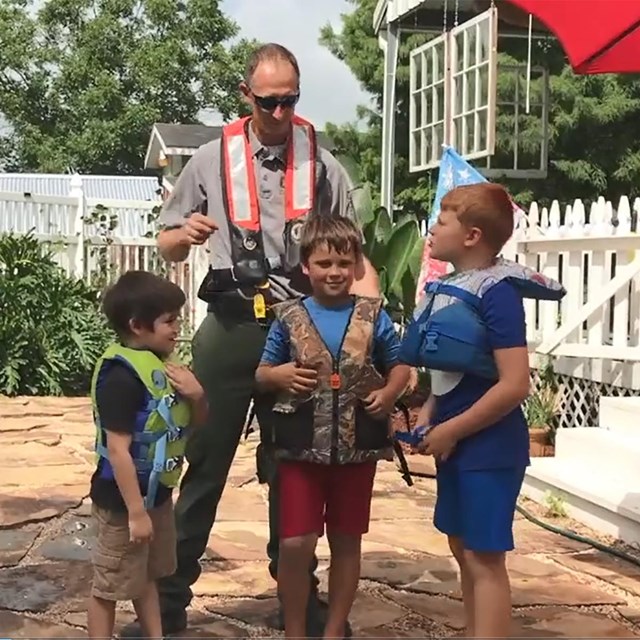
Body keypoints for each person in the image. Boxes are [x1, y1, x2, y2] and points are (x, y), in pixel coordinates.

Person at [119, 43, 379, 638]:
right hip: (232, 326)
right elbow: (166, 244)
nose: (281, 113)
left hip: (301, 330)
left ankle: (297, 598)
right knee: (203, 462)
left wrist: (370, 326)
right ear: (246, 96)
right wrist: (184, 232)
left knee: (295, 465)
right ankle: (171, 599)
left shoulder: (323, 165)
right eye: (269, 102)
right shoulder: (212, 159)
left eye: (291, 100)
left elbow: (356, 257)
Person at [399, 183, 565, 638]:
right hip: (457, 440)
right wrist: (433, 408)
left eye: (442, 220)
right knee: (460, 545)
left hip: (490, 446)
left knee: (483, 556)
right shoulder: (453, 286)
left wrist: (452, 430)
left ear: (472, 235)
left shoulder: (498, 293)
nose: (432, 229)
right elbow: (455, 371)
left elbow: (514, 384)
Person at [255, 215, 411, 639]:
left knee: (346, 542)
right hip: (300, 451)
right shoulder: (287, 316)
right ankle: (295, 629)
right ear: (306, 266)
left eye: (344, 262)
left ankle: (335, 629)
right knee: (294, 545)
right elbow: (262, 373)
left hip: (357, 449)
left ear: (356, 265)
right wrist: (280, 376)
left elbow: (399, 365)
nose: (335, 272)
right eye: (324, 264)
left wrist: (391, 392)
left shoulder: (373, 315)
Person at [87, 271, 207, 640]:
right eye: (169, 320)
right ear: (137, 326)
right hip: (123, 504)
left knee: (149, 577)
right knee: (108, 587)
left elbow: (194, 423)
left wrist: (198, 395)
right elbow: (119, 451)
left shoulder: (162, 368)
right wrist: (136, 513)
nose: (177, 328)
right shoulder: (121, 377)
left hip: (156, 497)